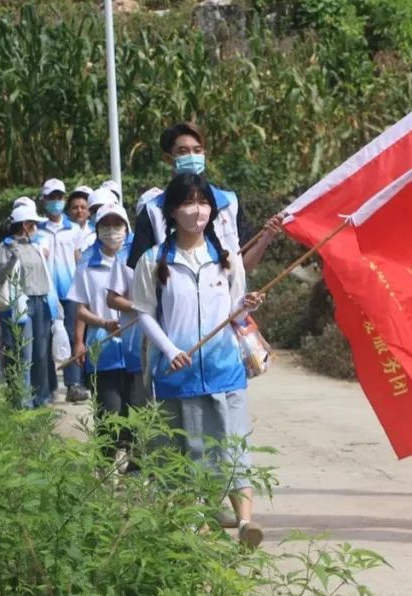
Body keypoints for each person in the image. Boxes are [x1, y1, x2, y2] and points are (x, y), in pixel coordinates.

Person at [131, 172, 266, 548]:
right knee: (190, 450)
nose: (198, 211)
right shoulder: (153, 261)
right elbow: (144, 312)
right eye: (188, 203)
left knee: (233, 445)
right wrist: (170, 350)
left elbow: (234, 312)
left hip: (225, 369)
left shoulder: (226, 259)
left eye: (204, 202)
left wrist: (247, 305)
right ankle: (194, 523)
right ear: (172, 211)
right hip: (179, 374)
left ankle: (245, 523)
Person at [127, 122, 283, 272]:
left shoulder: (230, 203)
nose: (191, 156)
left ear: (204, 155)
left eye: (197, 150)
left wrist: (266, 238)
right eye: (182, 151)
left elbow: (242, 266)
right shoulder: (152, 211)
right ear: (168, 159)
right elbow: (141, 271)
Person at [68, 203, 146, 467]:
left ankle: (135, 469)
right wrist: (100, 324)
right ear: (97, 229)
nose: (112, 230)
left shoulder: (138, 260)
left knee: (136, 411)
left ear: (126, 227)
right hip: (103, 350)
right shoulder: (87, 264)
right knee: (109, 413)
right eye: (106, 225)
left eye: (117, 225)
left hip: (135, 348)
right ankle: (104, 469)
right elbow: (80, 309)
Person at [0, 203, 55, 409]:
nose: (36, 228)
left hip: (41, 301)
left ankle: (41, 399)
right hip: (20, 304)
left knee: (41, 355)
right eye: (33, 224)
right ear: (25, 225)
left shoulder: (35, 246)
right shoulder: (5, 247)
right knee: (24, 355)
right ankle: (24, 403)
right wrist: (11, 262)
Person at [39, 178, 90, 403]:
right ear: (44, 200)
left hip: (70, 291)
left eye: (59, 197)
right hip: (44, 292)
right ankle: (48, 386)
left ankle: (74, 384)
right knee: (45, 338)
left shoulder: (74, 229)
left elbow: (80, 258)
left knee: (72, 336)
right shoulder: (38, 230)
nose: (56, 201)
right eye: (52, 197)